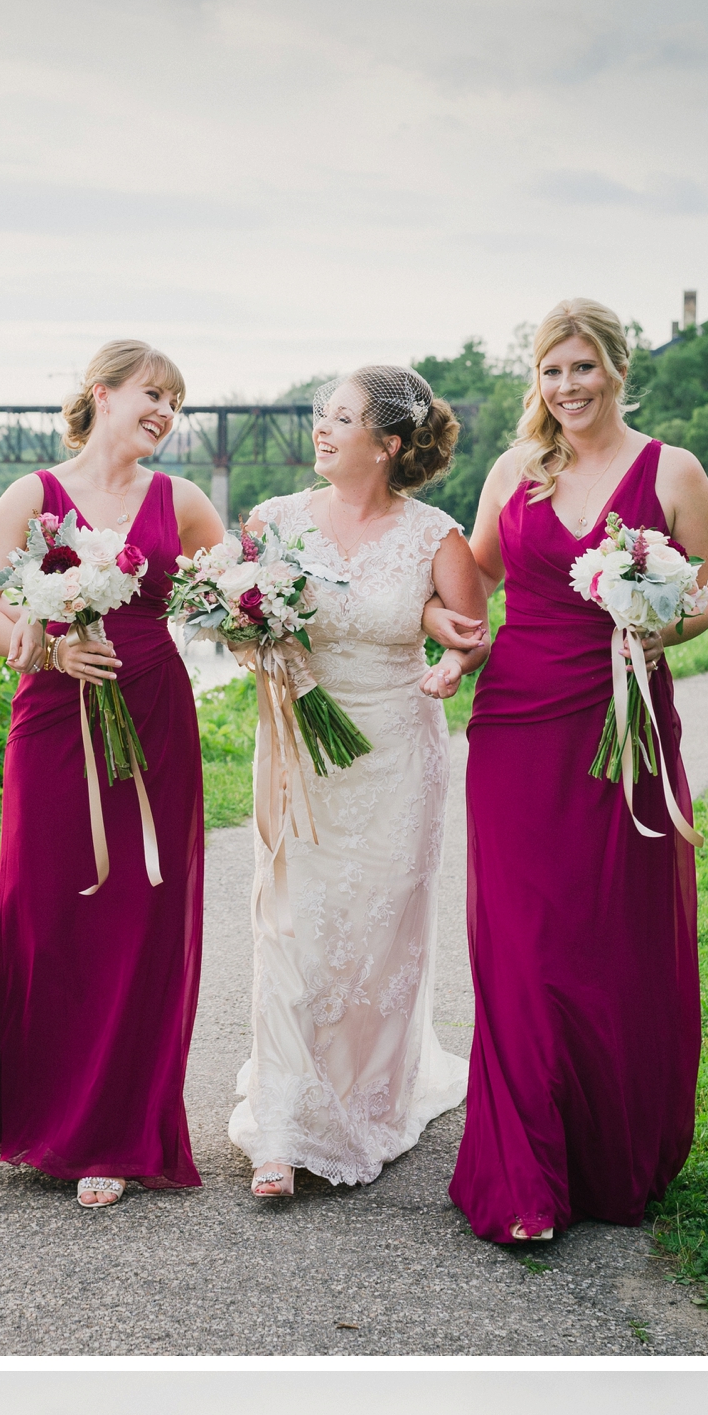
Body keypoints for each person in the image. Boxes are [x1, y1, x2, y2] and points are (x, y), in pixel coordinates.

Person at [433, 299, 708, 1243]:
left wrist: (654, 617)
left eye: (583, 368)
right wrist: (449, 639)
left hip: (625, 720)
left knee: (610, 938)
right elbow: (470, 580)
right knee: (522, 947)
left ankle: (611, 1154)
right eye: (552, 372)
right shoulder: (515, 470)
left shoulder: (673, 471)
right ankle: (522, 1177)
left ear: (617, 370)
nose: (567, 388)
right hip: (519, 723)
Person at [0, 341, 222, 1210]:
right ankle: (46, 1116)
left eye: (175, 403)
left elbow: (233, 590)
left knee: (143, 914)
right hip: (54, 720)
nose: (165, 413)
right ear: (101, 393)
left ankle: (118, 1128)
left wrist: (264, 616)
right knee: (49, 905)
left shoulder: (181, 500)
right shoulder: (35, 494)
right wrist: (51, 647)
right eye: (153, 394)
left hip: (154, 717)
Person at [230, 369, 480, 1200]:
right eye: (321, 415)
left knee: (377, 934)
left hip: (398, 754)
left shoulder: (436, 536)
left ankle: (363, 1103)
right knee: (292, 925)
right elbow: (238, 627)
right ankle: (280, 1125)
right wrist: (250, 637)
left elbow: (471, 635)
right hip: (300, 748)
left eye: (343, 419)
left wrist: (449, 662)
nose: (322, 430)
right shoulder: (274, 523)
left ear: (390, 444)